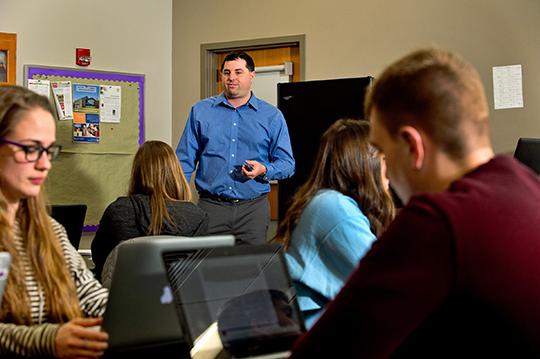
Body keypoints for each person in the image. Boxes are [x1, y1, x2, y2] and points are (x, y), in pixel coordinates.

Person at [289, 48, 540, 357]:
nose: (385, 172)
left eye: (382, 151)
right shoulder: (530, 186)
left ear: (412, 146)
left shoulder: (436, 221)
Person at [0, 85, 108, 358]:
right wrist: (48, 340)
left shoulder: (50, 230)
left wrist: (133, 316)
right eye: (31, 149)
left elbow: (90, 295)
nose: (45, 164)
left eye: (49, 151)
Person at [274, 119, 395, 328]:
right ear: (365, 163)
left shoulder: (326, 201)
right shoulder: (335, 207)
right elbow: (386, 280)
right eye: (384, 159)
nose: (389, 171)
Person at [176, 51, 295, 244]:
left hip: (253, 211)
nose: (231, 78)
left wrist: (264, 169)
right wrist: (176, 203)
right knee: (208, 270)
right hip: (211, 207)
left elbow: (288, 164)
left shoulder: (272, 116)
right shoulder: (201, 112)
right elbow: (184, 161)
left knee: (250, 270)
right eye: (226, 72)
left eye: (238, 72)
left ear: (252, 75)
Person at [91, 140, 208, 283]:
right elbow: (196, 271)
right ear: (175, 173)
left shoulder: (117, 211)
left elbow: (101, 260)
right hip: (175, 302)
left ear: (137, 173)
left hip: (123, 300)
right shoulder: (197, 217)